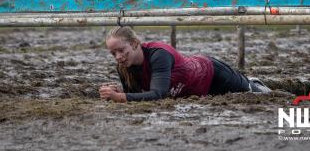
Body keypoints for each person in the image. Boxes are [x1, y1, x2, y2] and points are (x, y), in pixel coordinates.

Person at [99, 26, 271, 103]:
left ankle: (253, 83)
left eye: (121, 50)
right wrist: (119, 92)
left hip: (213, 75)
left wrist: (120, 98)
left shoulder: (159, 55)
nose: (118, 57)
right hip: (192, 89)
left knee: (261, 96)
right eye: (113, 53)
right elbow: (137, 96)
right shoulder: (123, 67)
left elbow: (157, 95)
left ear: (135, 43)